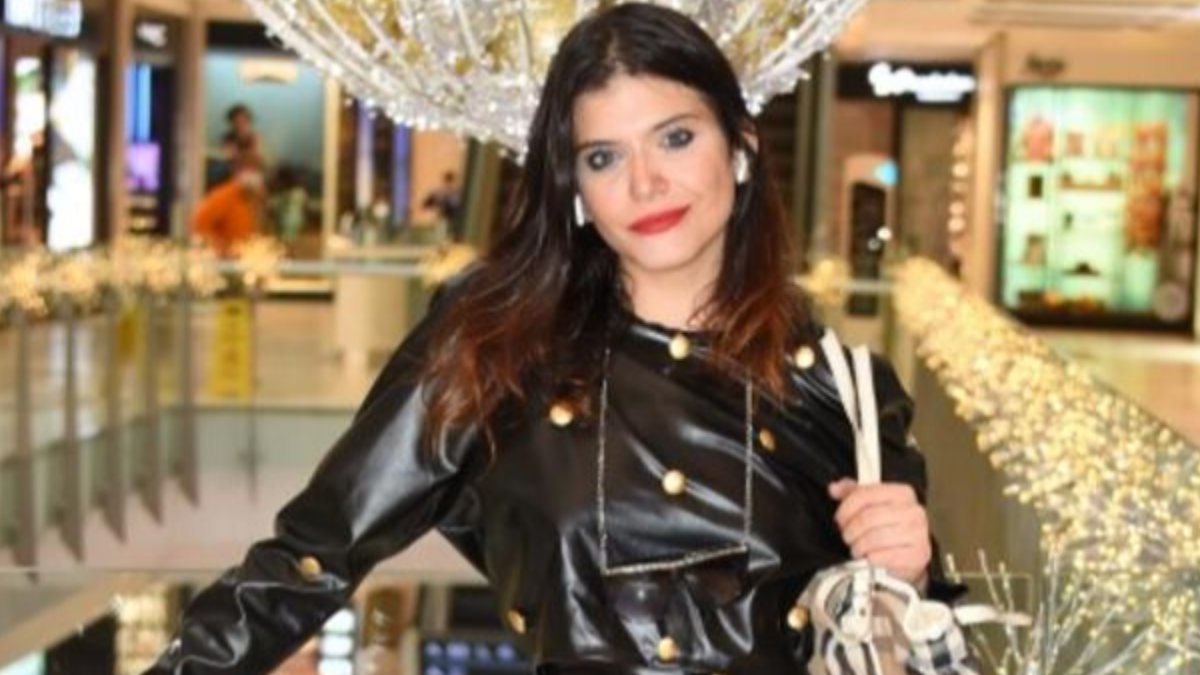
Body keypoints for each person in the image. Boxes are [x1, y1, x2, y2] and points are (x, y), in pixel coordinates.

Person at [145, 5, 963, 674]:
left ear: (742, 147)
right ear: (576, 190)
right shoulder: (495, 346)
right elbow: (309, 557)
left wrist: (916, 568)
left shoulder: (844, 391)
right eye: (604, 157)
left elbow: (916, 633)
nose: (645, 182)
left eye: (676, 138)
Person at [192, 155, 266, 257]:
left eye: (256, 171)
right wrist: (217, 247)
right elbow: (199, 223)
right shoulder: (223, 196)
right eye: (250, 170)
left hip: (247, 256)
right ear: (238, 172)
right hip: (224, 259)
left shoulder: (255, 199)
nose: (254, 176)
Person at [422, 170, 464, 240]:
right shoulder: (451, 191)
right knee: (444, 230)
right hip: (448, 216)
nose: (450, 184)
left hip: (449, 216)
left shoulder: (444, 191)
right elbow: (429, 201)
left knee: (444, 230)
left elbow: (429, 201)